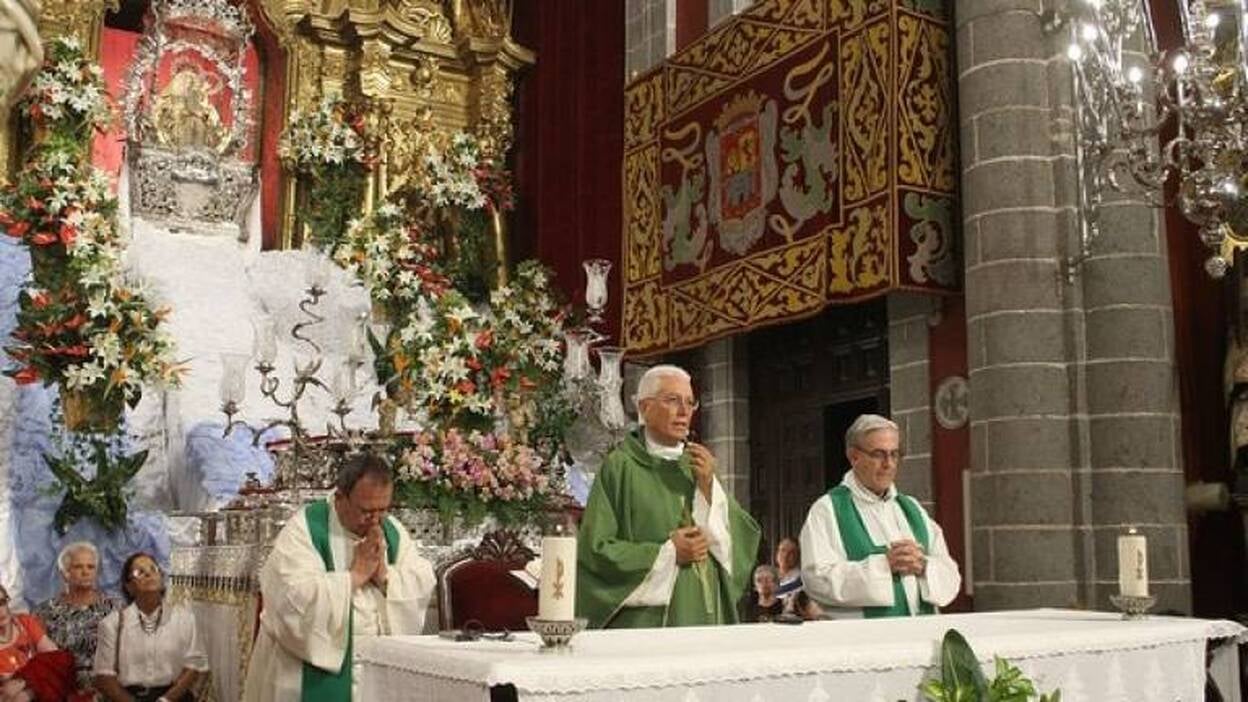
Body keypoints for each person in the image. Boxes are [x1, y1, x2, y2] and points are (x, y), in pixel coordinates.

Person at [577, 364, 761, 628]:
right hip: (648, 623)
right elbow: (596, 552)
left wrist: (710, 489)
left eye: (690, 402)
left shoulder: (700, 466)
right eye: (672, 400)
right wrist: (668, 553)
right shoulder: (620, 467)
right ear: (644, 408)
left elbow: (741, 543)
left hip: (705, 615)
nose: (684, 412)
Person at [242, 453, 435, 702]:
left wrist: (385, 576)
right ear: (340, 497)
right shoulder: (305, 530)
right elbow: (290, 600)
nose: (375, 520)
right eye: (366, 511)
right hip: (309, 671)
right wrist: (355, 576)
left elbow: (421, 580)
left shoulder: (392, 530)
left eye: (383, 510)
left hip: (376, 672)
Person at [799, 414, 961, 618]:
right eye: (878, 454)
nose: (889, 464)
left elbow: (951, 576)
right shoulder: (828, 509)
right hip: (864, 641)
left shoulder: (911, 508)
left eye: (894, 454)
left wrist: (923, 566)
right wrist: (884, 566)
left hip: (920, 635)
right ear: (854, 456)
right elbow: (816, 579)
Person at [93, 553, 207, 702]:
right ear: (129, 587)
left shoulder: (184, 619)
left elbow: (194, 666)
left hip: (174, 697)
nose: (148, 574)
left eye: (153, 569)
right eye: (139, 572)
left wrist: (165, 700)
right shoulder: (112, 623)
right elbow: (104, 676)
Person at [33, 542, 120, 694]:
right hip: (61, 690)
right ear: (64, 573)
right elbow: (38, 661)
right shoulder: (44, 612)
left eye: (90, 567)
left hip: (108, 689)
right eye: (78, 567)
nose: (85, 572)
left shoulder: (115, 608)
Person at [0, 583, 67, 702]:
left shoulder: (25, 623)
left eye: (2, 602)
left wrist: (26, 688)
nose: (0, 611)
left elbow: (59, 660)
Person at [773, 537, 802, 602]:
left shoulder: (800, 580)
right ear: (777, 552)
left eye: (791, 552)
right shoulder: (769, 574)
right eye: (783, 550)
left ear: (797, 556)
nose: (785, 555)